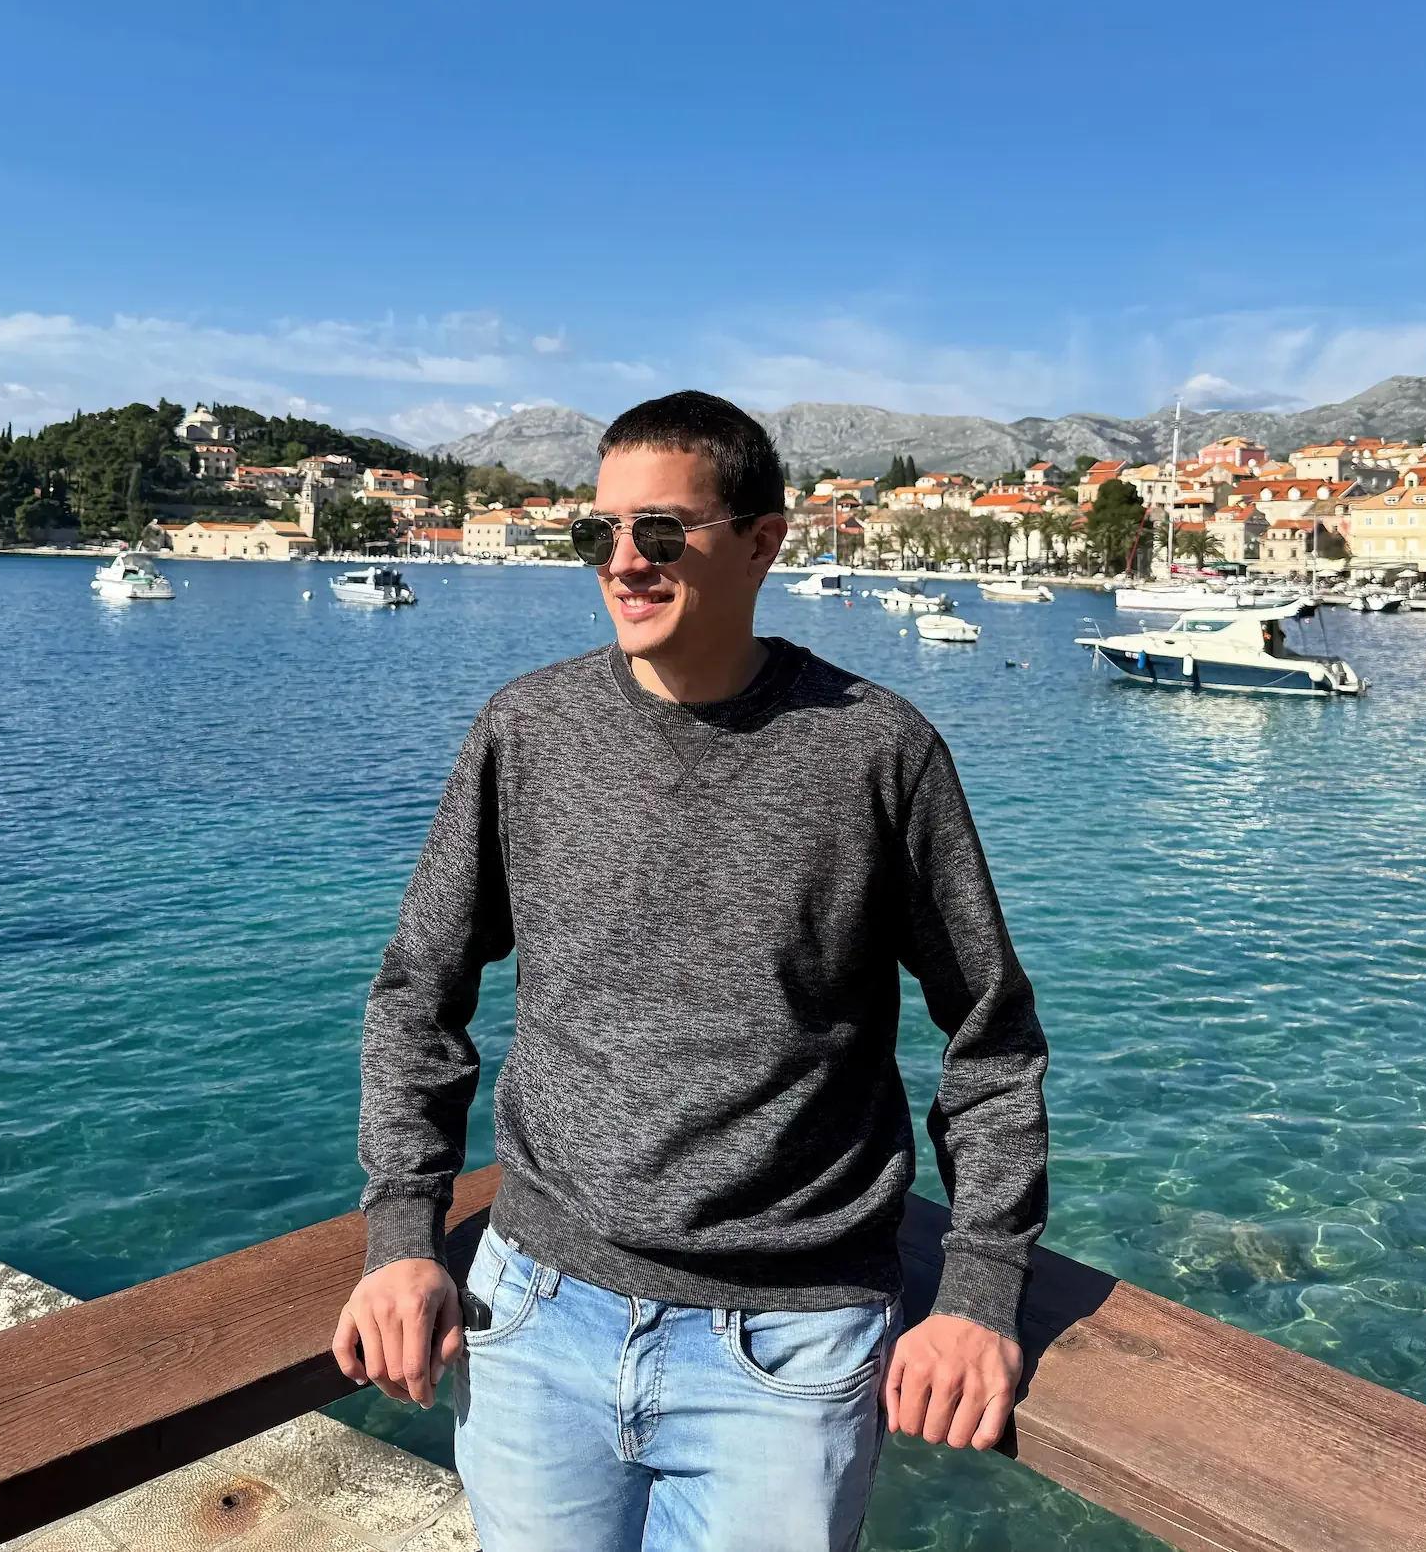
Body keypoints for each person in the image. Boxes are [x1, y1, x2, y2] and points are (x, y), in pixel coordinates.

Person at [334, 390, 1049, 1552]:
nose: (623, 563)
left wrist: (976, 1292)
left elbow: (990, 1039)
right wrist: (401, 1238)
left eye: (660, 531)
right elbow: (420, 994)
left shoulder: (879, 749)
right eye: (597, 533)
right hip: (530, 1313)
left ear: (763, 540)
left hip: (790, 1344)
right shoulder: (527, 731)